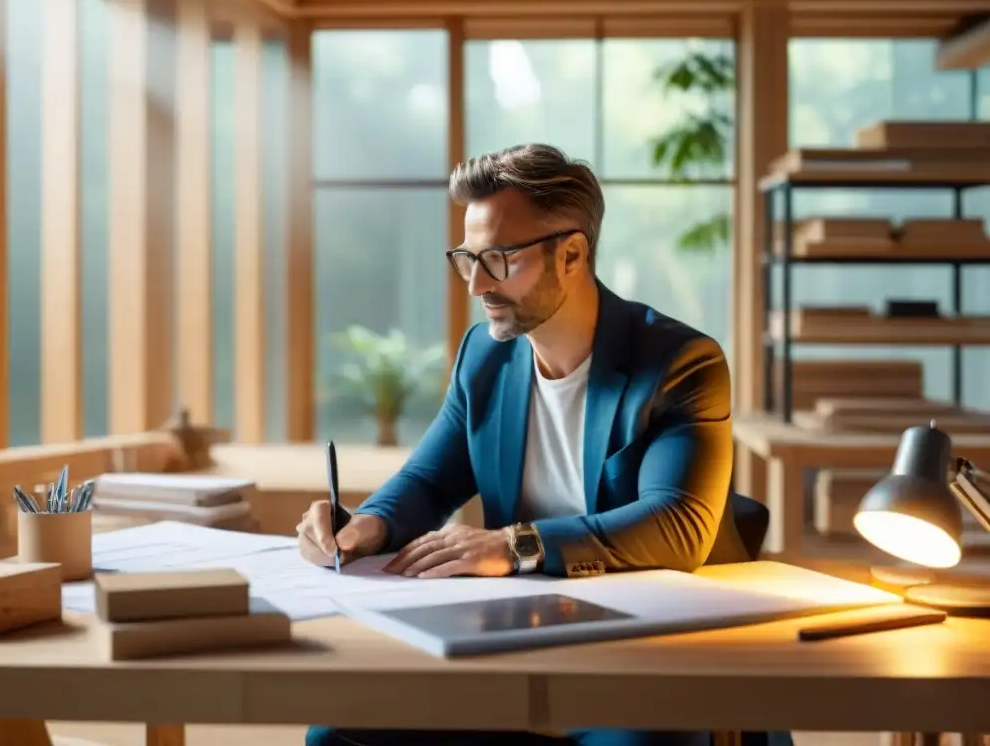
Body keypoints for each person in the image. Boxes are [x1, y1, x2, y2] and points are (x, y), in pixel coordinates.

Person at [299, 143, 745, 746]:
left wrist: (515, 545)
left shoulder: (679, 362)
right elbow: (431, 481)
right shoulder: (485, 356)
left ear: (572, 253)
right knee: (336, 733)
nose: (477, 283)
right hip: (520, 641)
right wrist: (366, 526)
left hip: (649, 649)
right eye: (468, 258)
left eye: (500, 259)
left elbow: (679, 526)